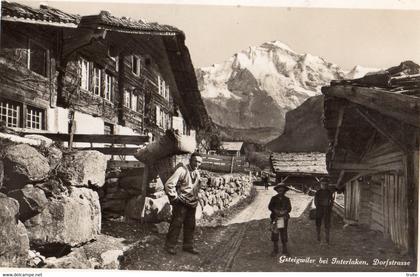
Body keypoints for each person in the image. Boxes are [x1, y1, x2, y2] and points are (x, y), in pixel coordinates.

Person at [164, 152, 203, 255]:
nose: (197, 164)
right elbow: (169, 185)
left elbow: (196, 187)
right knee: (176, 224)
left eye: (199, 162)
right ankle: (170, 246)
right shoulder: (182, 170)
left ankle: (188, 246)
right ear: (190, 160)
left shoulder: (197, 173)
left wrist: (196, 198)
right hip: (181, 202)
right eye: (195, 161)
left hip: (192, 204)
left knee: (190, 225)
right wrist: (174, 198)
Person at [268, 183, 292, 256]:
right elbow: (270, 207)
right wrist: (275, 211)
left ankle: (285, 250)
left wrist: (285, 211)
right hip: (276, 218)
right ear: (277, 191)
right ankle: (275, 250)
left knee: (283, 233)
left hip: (283, 218)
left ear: (284, 191)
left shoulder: (287, 199)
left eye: (282, 190)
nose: (281, 191)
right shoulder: (274, 198)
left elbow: (289, 208)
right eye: (279, 190)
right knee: (275, 233)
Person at [314, 179, 334, 244]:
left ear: (327, 185)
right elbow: (315, 202)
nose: (324, 186)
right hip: (319, 210)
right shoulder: (318, 192)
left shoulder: (329, 192)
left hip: (327, 210)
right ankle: (318, 237)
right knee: (318, 224)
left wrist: (329, 209)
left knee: (327, 224)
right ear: (321, 185)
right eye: (323, 184)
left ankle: (327, 239)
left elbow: (331, 202)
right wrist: (319, 207)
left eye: (326, 184)